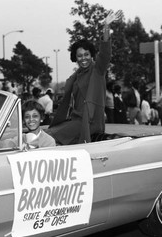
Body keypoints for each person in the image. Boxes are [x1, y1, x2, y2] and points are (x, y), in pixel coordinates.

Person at [48, 10, 123, 144]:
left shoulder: (97, 70)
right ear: (75, 58)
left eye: (86, 54)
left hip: (90, 123)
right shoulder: (75, 76)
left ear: (92, 55)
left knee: (48, 136)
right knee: (47, 134)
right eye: (80, 56)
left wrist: (106, 26)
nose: (84, 58)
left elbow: (105, 53)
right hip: (76, 121)